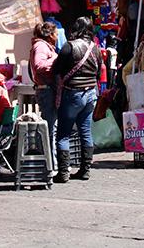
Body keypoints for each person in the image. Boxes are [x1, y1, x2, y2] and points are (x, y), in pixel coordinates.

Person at [53, 17, 102, 183]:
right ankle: (85, 170)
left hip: (72, 94)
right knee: (85, 131)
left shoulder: (69, 46)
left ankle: (63, 172)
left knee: (63, 134)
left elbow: (56, 69)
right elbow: (98, 72)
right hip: (90, 94)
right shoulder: (95, 48)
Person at [29, 22, 58, 167]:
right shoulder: (41, 46)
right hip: (46, 90)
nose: (58, 38)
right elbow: (39, 65)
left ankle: (51, 162)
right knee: (49, 128)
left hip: (48, 89)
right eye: (56, 34)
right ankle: (49, 164)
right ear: (50, 35)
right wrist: (56, 59)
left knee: (51, 127)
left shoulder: (44, 46)